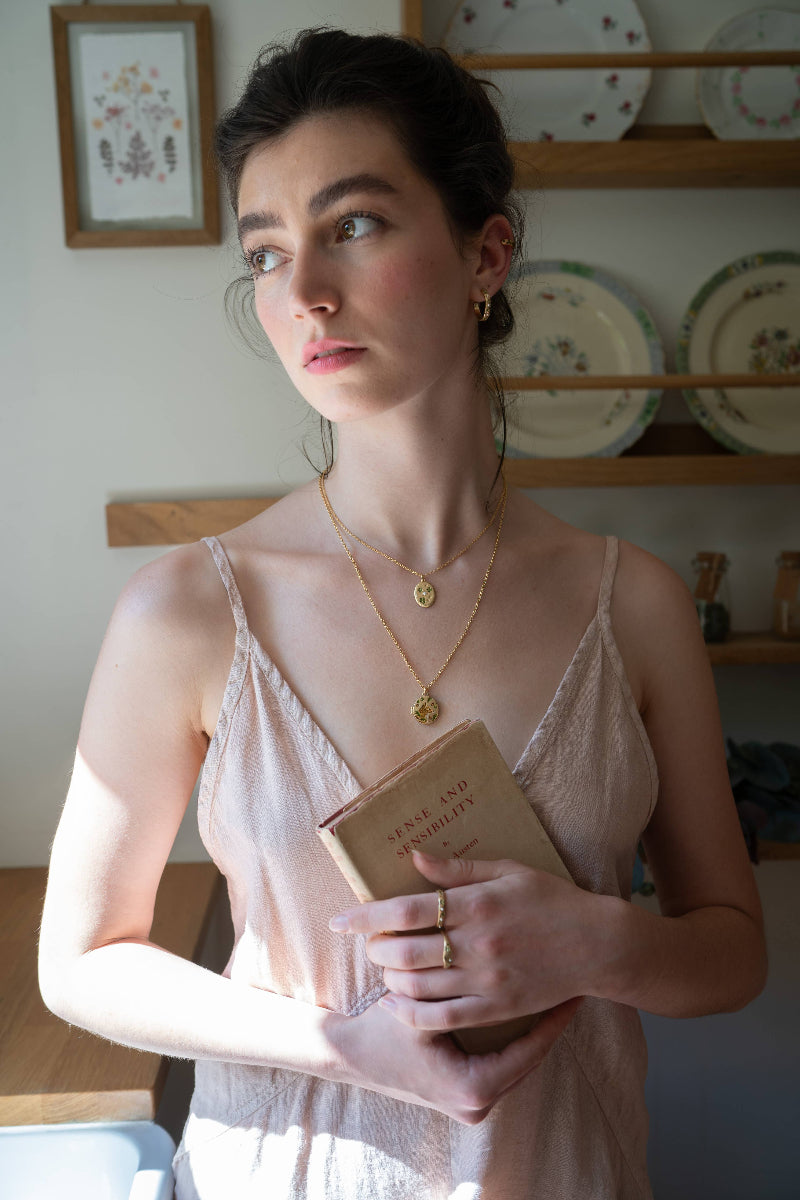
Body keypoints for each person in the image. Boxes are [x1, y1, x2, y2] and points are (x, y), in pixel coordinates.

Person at [38, 27, 767, 1200]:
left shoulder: (629, 602)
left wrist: (601, 941)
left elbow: (729, 949)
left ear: (487, 253)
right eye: (265, 253)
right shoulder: (185, 611)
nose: (304, 292)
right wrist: (341, 1044)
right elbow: (79, 963)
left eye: (354, 225)